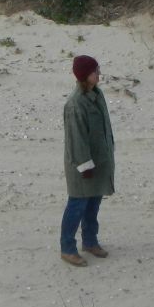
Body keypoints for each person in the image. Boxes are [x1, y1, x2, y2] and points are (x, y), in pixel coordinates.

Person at [60, 54, 114, 267]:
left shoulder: (96, 94)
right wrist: (85, 166)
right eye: (95, 71)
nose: (98, 73)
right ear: (85, 75)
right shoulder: (75, 104)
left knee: (93, 204)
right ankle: (67, 248)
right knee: (77, 205)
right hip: (82, 165)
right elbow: (76, 139)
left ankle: (90, 241)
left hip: (99, 160)